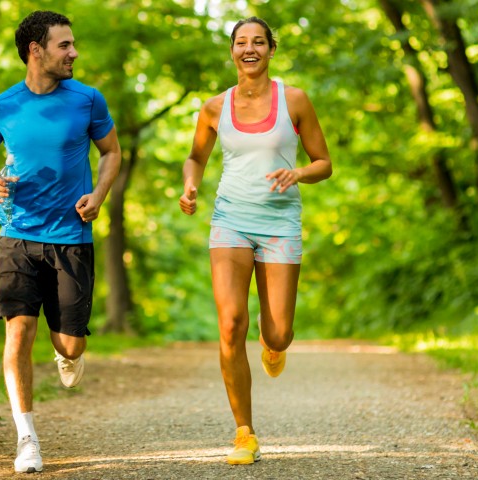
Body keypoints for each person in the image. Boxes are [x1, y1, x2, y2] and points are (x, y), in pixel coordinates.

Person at [0, 10, 121, 474]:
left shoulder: (87, 100)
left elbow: (111, 151)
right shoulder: (3, 104)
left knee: (70, 345)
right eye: (64, 45)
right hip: (17, 233)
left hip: (72, 235)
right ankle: (27, 438)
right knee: (18, 332)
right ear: (36, 50)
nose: (74, 53)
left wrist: (98, 194)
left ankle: (67, 351)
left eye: (73, 45)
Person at [179, 16, 332, 466]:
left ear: (271, 49)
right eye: (241, 42)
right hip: (231, 219)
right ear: (232, 51)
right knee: (230, 325)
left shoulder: (295, 100)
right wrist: (190, 186)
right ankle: (244, 432)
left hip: (280, 221)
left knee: (280, 332)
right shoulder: (213, 107)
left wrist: (298, 172)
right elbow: (195, 156)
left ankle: (274, 345)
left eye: (258, 42)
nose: (250, 49)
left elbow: (324, 162)